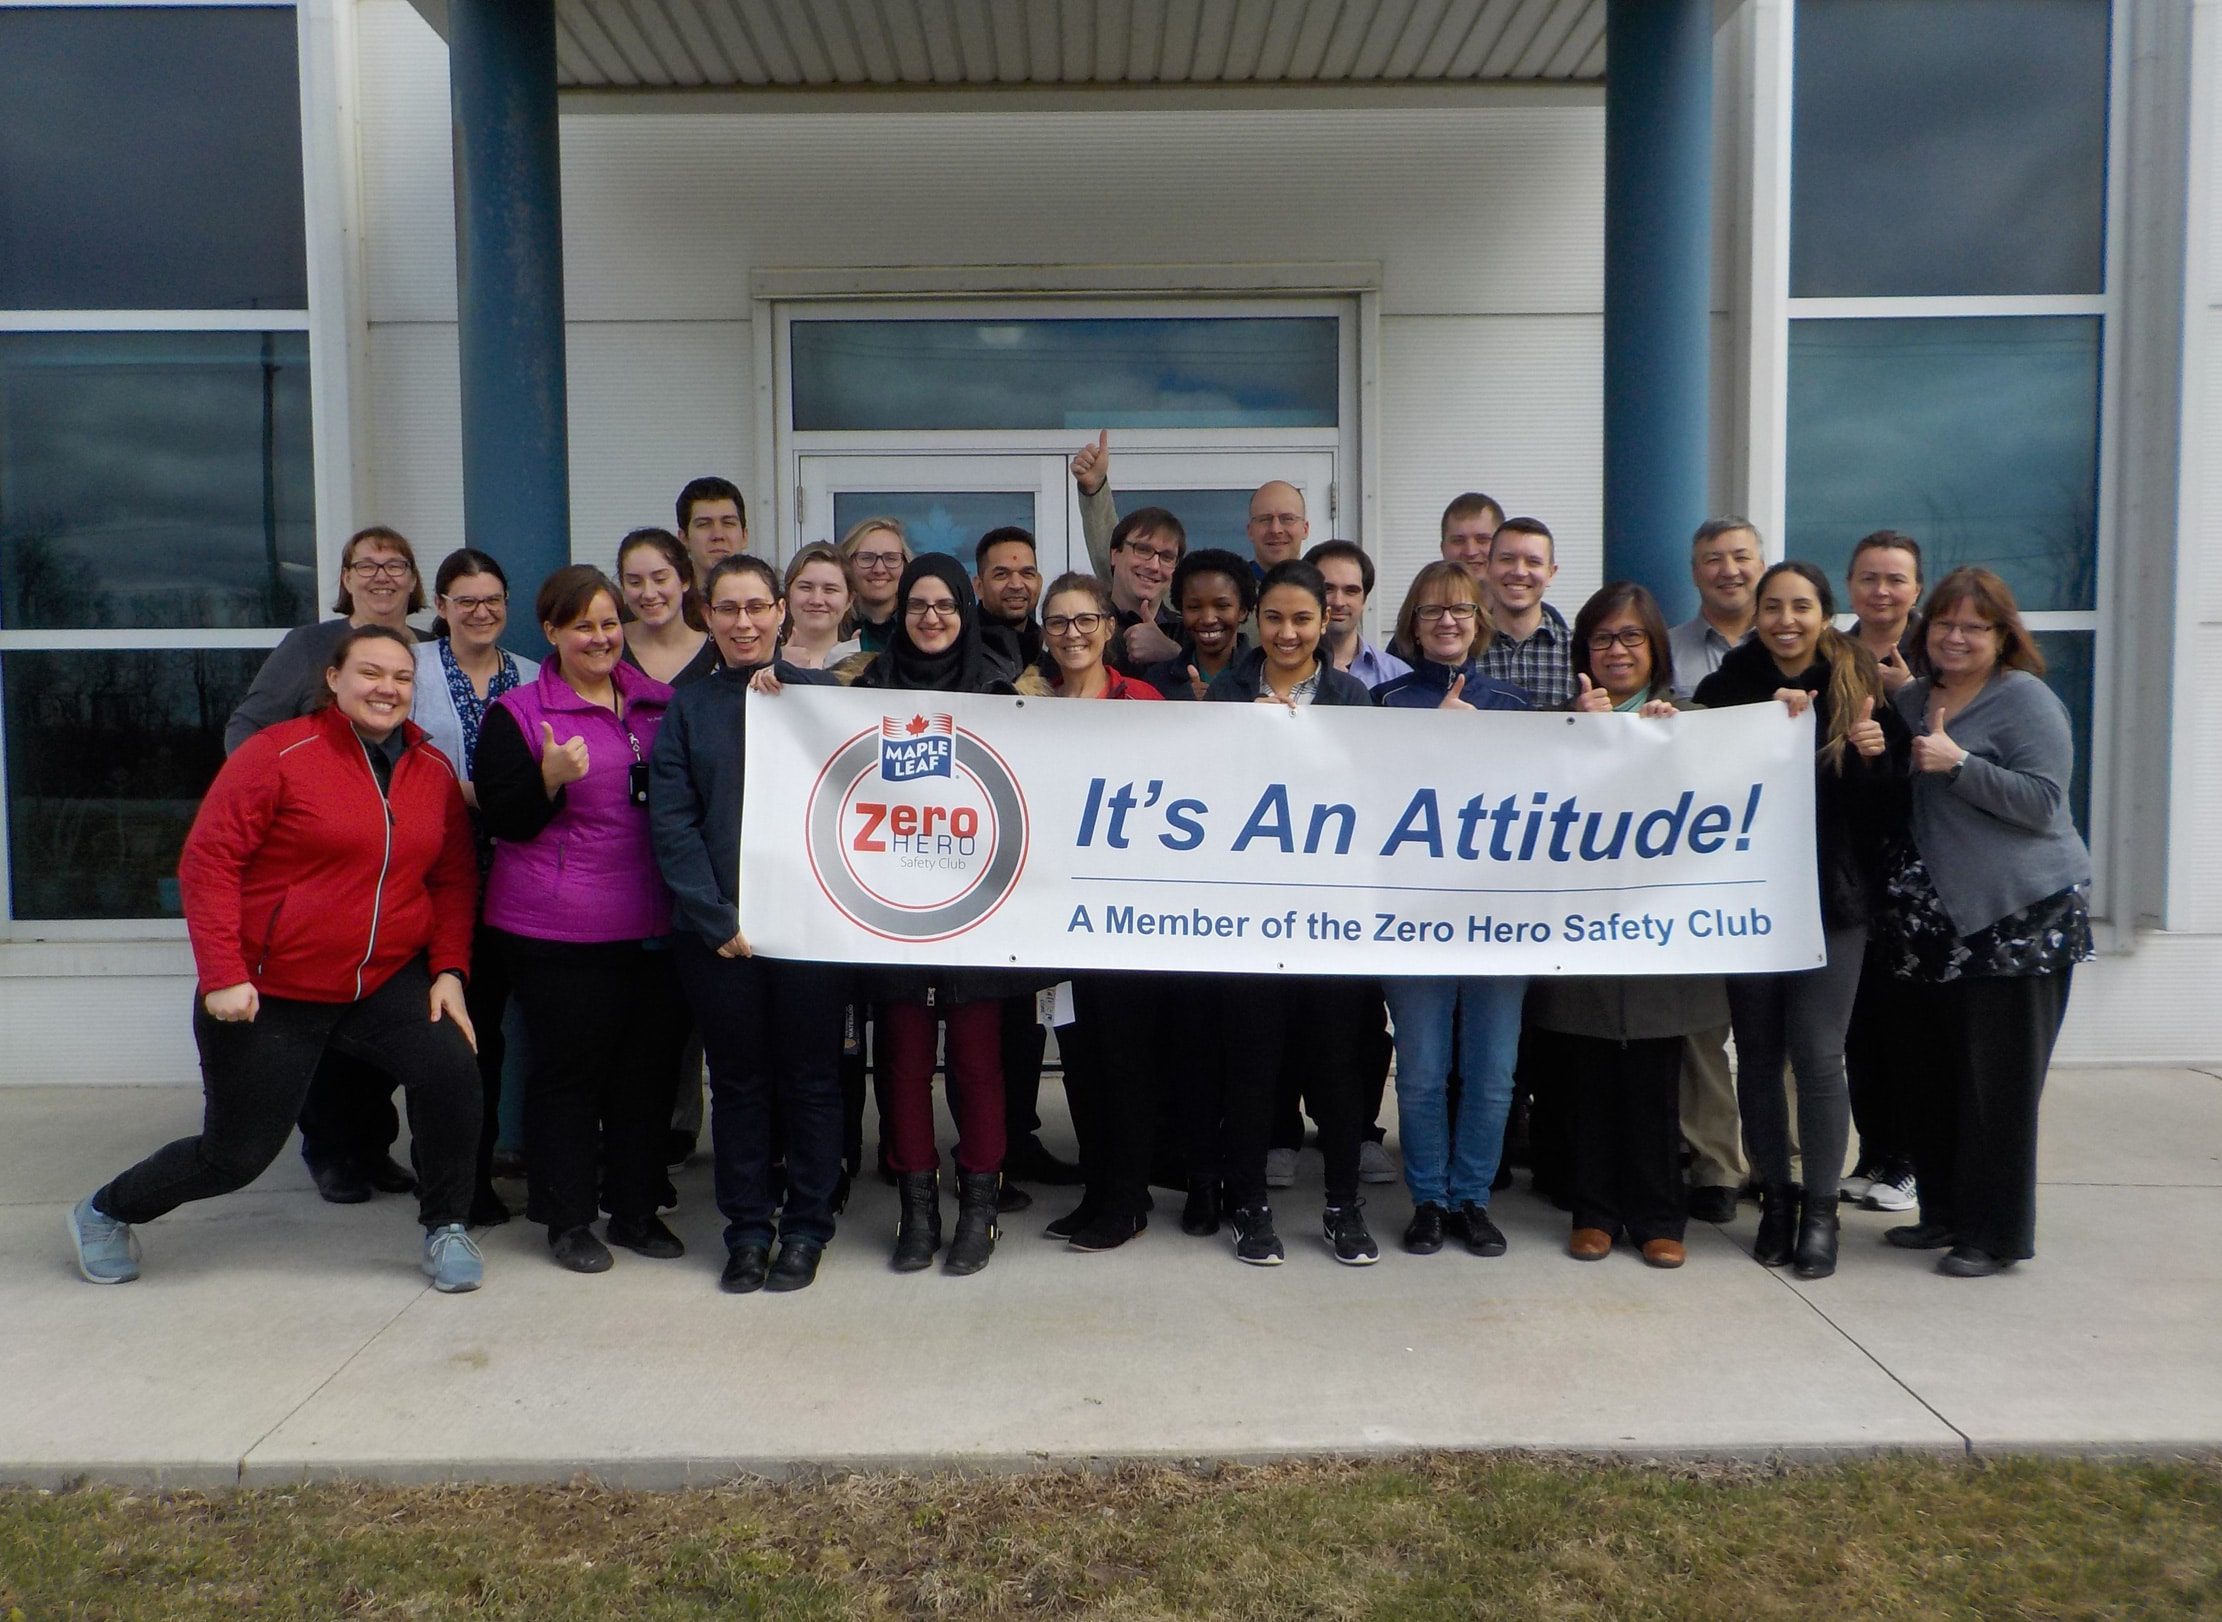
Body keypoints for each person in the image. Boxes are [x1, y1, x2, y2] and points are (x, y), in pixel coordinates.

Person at [67, 626, 486, 1293]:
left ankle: (446, 1227)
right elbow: (209, 861)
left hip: (379, 982)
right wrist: (224, 974)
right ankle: (105, 1210)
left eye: (402, 678)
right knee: (232, 1158)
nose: (387, 689)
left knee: (451, 1070)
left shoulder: (429, 771)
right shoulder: (277, 753)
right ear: (335, 679)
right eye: (371, 673)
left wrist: (449, 972)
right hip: (273, 989)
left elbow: (453, 879)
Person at [752, 555, 1041, 1276]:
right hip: (885, 914)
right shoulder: (863, 684)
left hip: (979, 916)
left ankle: (979, 1208)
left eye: (946, 604)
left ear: (965, 611)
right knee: (903, 1064)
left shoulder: (1004, 689)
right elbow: (804, 711)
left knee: (979, 1066)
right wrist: (773, 686)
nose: (932, 617)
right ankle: (918, 1211)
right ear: (899, 610)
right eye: (918, 605)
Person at [473, 565, 690, 1274]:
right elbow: (501, 817)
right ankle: (566, 1219)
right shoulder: (518, 713)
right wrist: (547, 779)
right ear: (552, 633)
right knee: (570, 1077)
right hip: (557, 932)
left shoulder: (660, 704)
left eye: (608, 623)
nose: (599, 638)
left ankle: (633, 1212)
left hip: (654, 926)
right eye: (582, 626)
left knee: (645, 1077)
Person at [1879, 567, 2091, 1279]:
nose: (1957, 637)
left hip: (2015, 923)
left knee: (1995, 1090)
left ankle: (1994, 1236)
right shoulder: (1913, 699)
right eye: (1945, 624)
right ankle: (1941, 1214)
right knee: (1930, 1080)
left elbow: (2043, 802)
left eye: (1975, 626)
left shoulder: (2024, 700)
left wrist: (1959, 763)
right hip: (1929, 931)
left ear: (2003, 636)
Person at [1694, 561, 1899, 1280]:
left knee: (1816, 1053)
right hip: (1748, 902)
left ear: (1824, 612)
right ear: (1756, 614)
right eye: (1773, 606)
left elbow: (1889, 816)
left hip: (1831, 902)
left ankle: (1820, 1211)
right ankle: (1774, 1199)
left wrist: (1874, 759)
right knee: (1755, 1053)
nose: (1786, 619)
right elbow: (1691, 783)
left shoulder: (1858, 683)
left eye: (1801, 607)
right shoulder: (1727, 688)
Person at [649, 555, 846, 1293]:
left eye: (757, 607)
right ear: (708, 615)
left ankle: (805, 1229)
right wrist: (713, 917)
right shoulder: (688, 706)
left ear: (781, 612)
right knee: (738, 1082)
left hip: (811, 932)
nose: (743, 623)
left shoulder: (827, 697)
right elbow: (673, 824)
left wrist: (795, 697)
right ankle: (747, 1231)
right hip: (720, 937)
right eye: (728, 609)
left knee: (812, 1081)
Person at [226, 524, 426, 1205]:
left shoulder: (427, 650)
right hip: (324, 858)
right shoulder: (310, 647)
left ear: (412, 579)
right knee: (321, 1019)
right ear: (344, 578)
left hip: (402, 860)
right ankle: (332, 1151)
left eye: (394, 564)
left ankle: (372, 1146)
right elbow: (248, 728)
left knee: (383, 1007)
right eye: (364, 565)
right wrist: (278, 803)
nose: (380, 575)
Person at [1537, 583, 1723, 1267]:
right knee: (1584, 1082)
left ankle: (1657, 1215)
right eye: (1604, 638)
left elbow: (1739, 782)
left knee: (1654, 1081)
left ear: (1656, 650)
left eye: (1632, 638)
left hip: (1658, 937)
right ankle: (1594, 1211)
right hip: (1582, 934)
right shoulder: (1558, 721)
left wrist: (1680, 745)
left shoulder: (1694, 719)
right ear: (1585, 649)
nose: (1617, 651)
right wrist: (1579, 738)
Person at [1202, 559, 1377, 1266]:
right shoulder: (1226, 694)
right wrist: (1249, 735)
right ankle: (1249, 1205)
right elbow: (1199, 793)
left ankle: (1343, 1206)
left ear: (1324, 620)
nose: (1287, 631)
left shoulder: (1352, 697)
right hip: (1250, 918)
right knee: (1251, 1070)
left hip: (1330, 919)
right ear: (1254, 621)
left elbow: (1376, 791)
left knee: (1338, 1071)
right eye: (1273, 617)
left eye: (1302, 618)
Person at [1370, 561, 1531, 1256]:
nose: (1447, 621)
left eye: (1461, 610)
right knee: (1424, 1070)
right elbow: (1369, 808)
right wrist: (1435, 740)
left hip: (1499, 920)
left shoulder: (1516, 708)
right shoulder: (1384, 705)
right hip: (1415, 918)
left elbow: (1540, 806)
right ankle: (1429, 1199)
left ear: (1479, 620)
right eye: (1433, 610)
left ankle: (1473, 1198)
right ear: (1413, 621)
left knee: (1493, 1073)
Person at [1031, 572, 1167, 1250]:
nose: (1072, 634)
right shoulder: (1031, 704)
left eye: (1085, 620)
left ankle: (1128, 1196)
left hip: (1126, 916)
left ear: (1109, 628)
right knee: (1079, 1057)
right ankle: (1097, 1189)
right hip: (1056, 917)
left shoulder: (1140, 699)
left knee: (1125, 1061)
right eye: (1058, 622)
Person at [414, 549, 539, 1226]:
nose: (481, 611)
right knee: (452, 1042)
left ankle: (491, 1174)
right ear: (441, 606)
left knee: (497, 1037)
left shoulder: (530, 674)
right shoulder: (416, 672)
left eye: (492, 599)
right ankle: (451, 1184)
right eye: (465, 600)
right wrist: (471, 791)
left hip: (516, 871)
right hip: (439, 873)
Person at [1839, 530, 1927, 1212]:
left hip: (1920, 871)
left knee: (1908, 1026)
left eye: (1895, 579)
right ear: (1851, 587)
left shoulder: (1935, 655)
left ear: (1915, 589)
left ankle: (1911, 1161)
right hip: (1854, 866)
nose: (1881, 591)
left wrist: (1910, 695)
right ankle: (1875, 1156)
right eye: (1869, 578)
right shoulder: (1834, 653)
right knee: (1861, 1023)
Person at [1477, 517, 1576, 707]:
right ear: (1488, 568)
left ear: (1551, 573)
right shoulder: (1464, 649)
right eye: (1507, 559)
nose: (1519, 572)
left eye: (1533, 562)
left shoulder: (1578, 651)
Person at [1141, 547, 1256, 700]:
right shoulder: (1157, 679)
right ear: (1181, 609)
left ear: (1243, 610)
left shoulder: (1264, 675)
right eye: (1194, 607)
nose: (1208, 619)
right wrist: (1182, 701)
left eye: (1222, 606)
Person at [1666, 518, 1763, 699]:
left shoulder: (1789, 646)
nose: (1729, 571)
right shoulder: (1664, 651)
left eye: (1741, 557)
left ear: (1762, 568)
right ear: (1694, 574)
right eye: (1713, 560)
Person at [618, 527, 719, 688]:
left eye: (660, 579)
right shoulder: (610, 645)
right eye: (635, 582)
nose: (649, 593)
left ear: (685, 580)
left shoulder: (717, 651)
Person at [1308, 539, 1410, 690]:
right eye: (1327, 589)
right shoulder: (1276, 672)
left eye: (1351, 591)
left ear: (1364, 600)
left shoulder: (1398, 676)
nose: (1338, 602)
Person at [1101, 507, 1187, 676]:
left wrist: (1172, 654)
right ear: (1115, 554)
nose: (1154, 566)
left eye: (1167, 557)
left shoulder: (1189, 632)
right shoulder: (1085, 625)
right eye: (1143, 550)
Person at [973, 525, 1046, 680]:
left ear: (1039, 583)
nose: (1016, 585)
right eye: (1001, 574)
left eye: (1027, 573)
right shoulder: (961, 655)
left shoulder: (1054, 660)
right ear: (979, 587)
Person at [780, 541, 862, 670]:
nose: (816, 600)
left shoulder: (868, 670)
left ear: (849, 600)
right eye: (805, 587)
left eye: (830, 589)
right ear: (788, 594)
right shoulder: (762, 661)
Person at [837, 517, 910, 653]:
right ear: (848, 564)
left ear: (905, 565)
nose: (879, 569)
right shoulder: (832, 624)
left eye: (891, 558)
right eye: (866, 558)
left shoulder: (918, 626)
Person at [675, 475, 749, 582]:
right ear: (684, 538)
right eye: (704, 524)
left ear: (744, 536)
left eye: (728, 523)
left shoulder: (769, 597)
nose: (718, 535)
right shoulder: (669, 598)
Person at [1438, 492, 1506, 583]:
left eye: (1482, 540)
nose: (1470, 552)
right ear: (1443, 548)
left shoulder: (1526, 596)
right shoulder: (1424, 597)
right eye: (1459, 541)